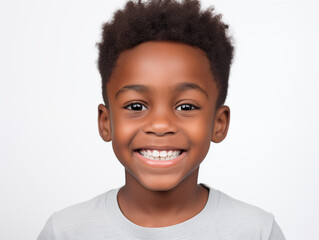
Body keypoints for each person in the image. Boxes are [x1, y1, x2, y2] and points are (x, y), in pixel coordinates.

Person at [37, 0, 286, 239]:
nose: (160, 125)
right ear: (106, 122)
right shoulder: (65, 232)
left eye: (186, 106)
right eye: (136, 105)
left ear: (219, 124)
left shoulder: (257, 231)